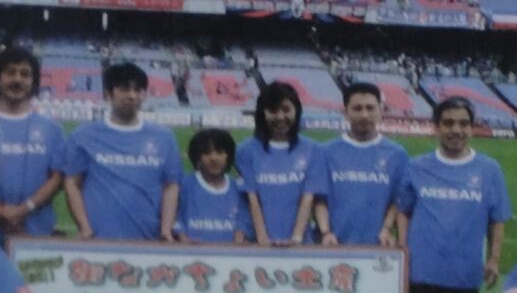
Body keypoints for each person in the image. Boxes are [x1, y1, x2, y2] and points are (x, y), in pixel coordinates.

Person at [392, 96, 509, 293]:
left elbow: (497, 219)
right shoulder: (417, 166)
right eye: (448, 123)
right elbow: (403, 209)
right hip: (420, 268)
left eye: (463, 123)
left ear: (471, 127)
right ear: (436, 127)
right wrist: (404, 246)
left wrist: (494, 259)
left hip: (463, 271)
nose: (456, 130)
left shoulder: (489, 170)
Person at [61, 59, 180, 241]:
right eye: (124, 89)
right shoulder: (83, 135)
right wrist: (84, 228)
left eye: (138, 90)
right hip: (98, 240)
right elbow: (72, 183)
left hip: (149, 240)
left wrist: (166, 230)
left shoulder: (164, 137)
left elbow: (171, 185)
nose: (132, 96)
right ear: (108, 93)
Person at [312, 80, 410, 247]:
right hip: (333, 245)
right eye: (357, 108)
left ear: (381, 111)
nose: (364, 115)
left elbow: (398, 200)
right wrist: (325, 232)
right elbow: (319, 200)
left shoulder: (397, 154)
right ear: (345, 112)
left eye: (370, 108)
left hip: (377, 247)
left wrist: (387, 228)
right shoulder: (326, 152)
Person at [0, 42, 65, 241]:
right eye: (10, 72)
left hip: (37, 235)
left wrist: (24, 209)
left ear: (34, 82)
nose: (17, 79)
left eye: (25, 74)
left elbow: (57, 178)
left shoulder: (52, 129)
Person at [234, 80, 325, 247]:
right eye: (273, 111)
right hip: (258, 243)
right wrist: (262, 239)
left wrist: (297, 238)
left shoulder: (313, 149)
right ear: (262, 112)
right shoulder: (245, 150)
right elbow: (252, 197)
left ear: (296, 110)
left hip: (301, 244)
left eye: (286, 110)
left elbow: (308, 196)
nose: (280, 117)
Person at [175, 127, 252, 242]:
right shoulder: (184, 184)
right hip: (191, 250)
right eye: (207, 153)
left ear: (228, 156)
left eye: (220, 152)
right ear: (198, 157)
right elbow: (173, 216)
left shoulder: (239, 188)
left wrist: (240, 236)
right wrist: (183, 238)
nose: (214, 158)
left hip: (228, 251)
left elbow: (244, 221)